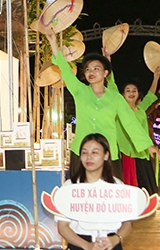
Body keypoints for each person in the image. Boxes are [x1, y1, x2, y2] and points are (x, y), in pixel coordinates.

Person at [48, 35, 145, 185]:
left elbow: (130, 122)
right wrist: (53, 42)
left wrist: (147, 145)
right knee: (80, 193)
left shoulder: (115, 98)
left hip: (108, 153)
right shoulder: (80, 91)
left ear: (106, 73)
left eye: (96, 68)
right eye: (87, 69)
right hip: (81, 151)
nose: (91, 72)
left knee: (110, 195)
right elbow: (65, 70)